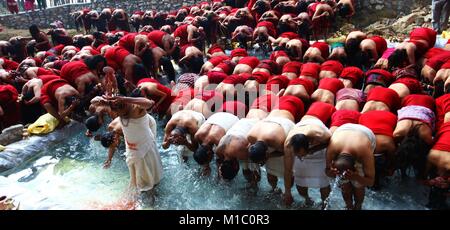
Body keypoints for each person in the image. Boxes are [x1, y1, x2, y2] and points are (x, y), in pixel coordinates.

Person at [105, 95, 163, 194]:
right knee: (136, 176)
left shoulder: (136, 108)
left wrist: (126, 98)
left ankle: (152, 190)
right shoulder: (113, 127)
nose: (117, 114)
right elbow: (94, 102)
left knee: (150, 177)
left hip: (146, 137)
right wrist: (109, 159)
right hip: (132, 144)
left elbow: (149, 103)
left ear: (125, 105)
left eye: (119, 112)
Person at [247, 95, 305, 192]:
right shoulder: (250, 136)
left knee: (289, 168)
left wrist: (288, 193)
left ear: (266, 153)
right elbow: (250, 150)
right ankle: (274, 188)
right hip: (273, 115)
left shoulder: (277, 141)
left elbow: (288, 161)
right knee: (271, 169)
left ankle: (284, 189)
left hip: (293, 108)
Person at [283, 103, 333, 208]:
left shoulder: (320, 135)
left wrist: (314, 149)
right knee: (300, 179)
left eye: (302, 154)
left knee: (323, 181)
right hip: (302, 130)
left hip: (318, 139)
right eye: (298, 155)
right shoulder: (288, 145)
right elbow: (288, 170)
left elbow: (331, 143)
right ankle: (307, 199)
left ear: (308, 147)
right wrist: (287, 192)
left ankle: (325, 204)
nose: (301, 157)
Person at [326, 123, 376, 210]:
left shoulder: (365, 153)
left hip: (365, 133)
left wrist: (356, 177)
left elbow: (370, 181)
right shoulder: (331, 150)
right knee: (344, 185)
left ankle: (358, 206)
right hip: (342, 130)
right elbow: (326, 171)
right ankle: (348, 206)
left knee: (359, 185)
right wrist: (330, 172)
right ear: (334, 162)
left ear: (355, 167)